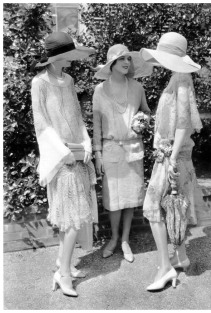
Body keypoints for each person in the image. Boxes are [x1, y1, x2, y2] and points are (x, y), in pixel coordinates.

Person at [31, 32, 97, 297]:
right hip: (61, 160)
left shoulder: (68, 80)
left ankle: (63, 262)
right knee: (70, 222)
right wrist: (62, 152)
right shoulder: (40, 83)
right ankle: (64, 274)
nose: (72, 58)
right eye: (69, 54)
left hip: (78, 156)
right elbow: (41, 123)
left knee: (73, 219)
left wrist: (87, 142)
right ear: (57, 57)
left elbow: (77, 117)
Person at [140, 32, 204, 291]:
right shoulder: (178, 77)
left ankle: (165, 267)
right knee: (175, 206)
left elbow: (182, 124)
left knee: (154, 207)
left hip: (172, 155)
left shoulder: (181, 79)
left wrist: (172, 158)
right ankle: (181, 256)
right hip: (173, 154)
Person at [92, 44, 153, 262]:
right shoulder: (99, 91)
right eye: (122, 60)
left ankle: (126, 240)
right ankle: (114, 238)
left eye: (128, 59)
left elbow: (146, 112)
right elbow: (96, 124)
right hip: (110, 151)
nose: (127, 62)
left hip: (133, 149)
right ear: (112, 65)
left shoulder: (137, 87)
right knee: (113, 199)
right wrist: (97, 153)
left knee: (130, 198)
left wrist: (142, 122)